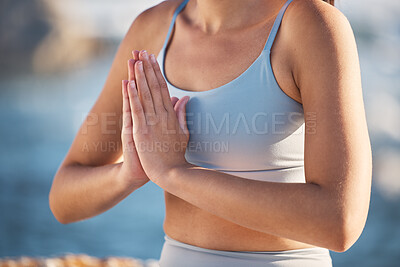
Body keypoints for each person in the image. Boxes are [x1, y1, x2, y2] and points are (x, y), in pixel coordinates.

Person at [49, 0, 372, 266]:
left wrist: (175, 174)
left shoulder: (310, 24)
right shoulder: (153, 27)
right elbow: (64, 200)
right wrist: (129, 174)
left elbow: (339, 222)